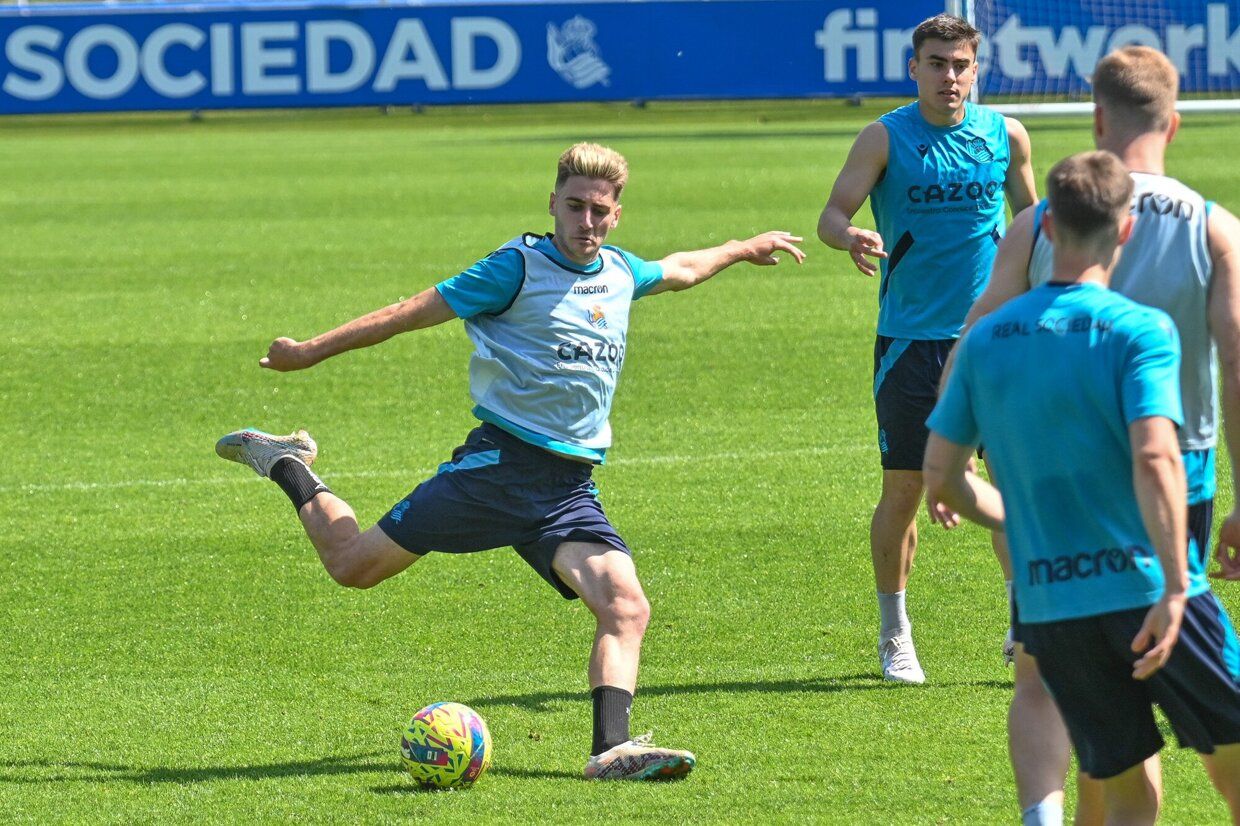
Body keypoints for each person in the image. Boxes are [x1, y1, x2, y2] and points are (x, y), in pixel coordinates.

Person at [214, 142, 805, 781]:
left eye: (599, 210)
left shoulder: (619, 272)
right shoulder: (515, 268)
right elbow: (408, 313)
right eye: (574, 206)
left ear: (616, 215)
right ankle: (287, 462)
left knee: (626, 607)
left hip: (567, 486)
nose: (585, 221)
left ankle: (611, 750)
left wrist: (744, 247)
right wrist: (309, 353)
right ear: (552, 204)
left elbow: (683, 266)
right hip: (498, 471)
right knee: (352, 566)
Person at [939, 46, 1240, 825]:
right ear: (1174, 122)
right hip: (1177, 489)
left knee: (1093, 720)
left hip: (1053, 494)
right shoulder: (1212, 226)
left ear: (1097, 117)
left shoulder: (1042, 217)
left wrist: (957, 442)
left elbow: (980, 327)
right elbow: (1234, 366)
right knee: (1206, 722)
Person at [817, 13, 1036, 683]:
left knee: (1013, 486)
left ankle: (1024, 621)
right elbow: (831, 215)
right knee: (906, 490)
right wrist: (848, 235)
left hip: (996, 337)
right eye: (936, 63)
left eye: (960, 64)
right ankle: (895, 632)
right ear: (914, 68)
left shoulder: (1007, 134)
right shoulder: (884, 137)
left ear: (976, 69)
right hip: (911, 343)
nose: (949, 75)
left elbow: (1035, 221)